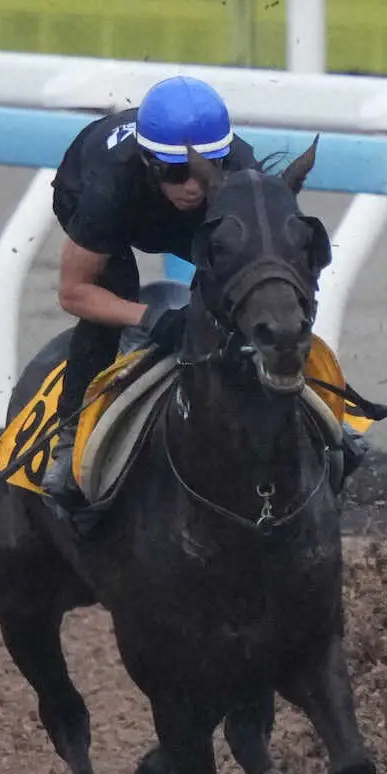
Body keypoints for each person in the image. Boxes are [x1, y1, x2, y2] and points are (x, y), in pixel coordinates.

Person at [41, 74, 259, 502]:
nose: (193, 186)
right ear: (148, 161)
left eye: (205, 169)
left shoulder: (240, 169)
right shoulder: (109, 184)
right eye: (176, 173)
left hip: (179, 220)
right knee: (110, 310)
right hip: (98, 200)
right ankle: (70, 441)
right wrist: (150, 317)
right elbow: (73, 293)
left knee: (244, 300)